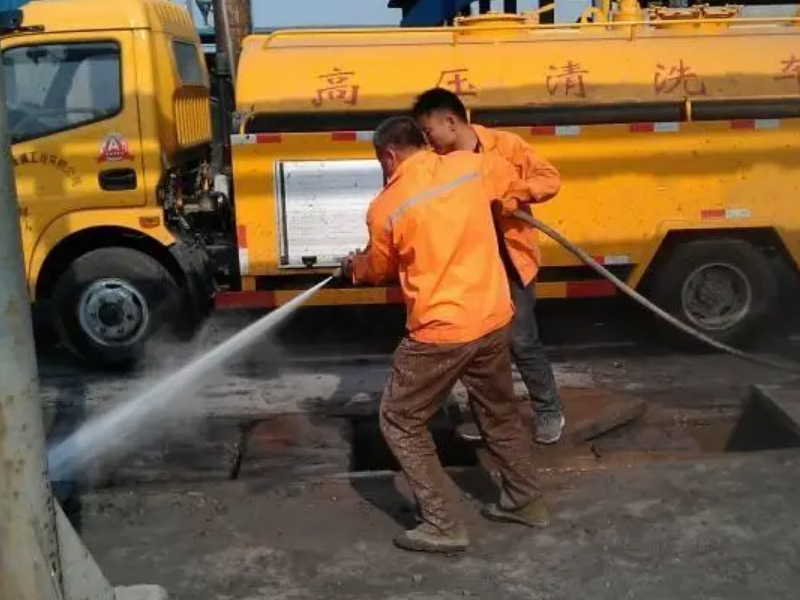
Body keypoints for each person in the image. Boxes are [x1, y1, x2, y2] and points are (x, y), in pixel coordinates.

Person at [341, 116, 547, 554]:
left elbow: (377, 270)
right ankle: (525, 501)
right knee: (499, 412)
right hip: (493, 317)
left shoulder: (386, 205)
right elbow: (524, 177)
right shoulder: (469, 167)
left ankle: (442, 523)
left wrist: (353, 268)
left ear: (389, 155)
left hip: (441, 331)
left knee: (400, 419)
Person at [412, 88, 565, 444]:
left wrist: (517, 194)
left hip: (511, 261)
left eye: (429, 130)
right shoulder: (436, 161)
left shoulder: (505, 146)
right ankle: (490, 420)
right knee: (476, 347)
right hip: (469, 268)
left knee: (523, 341)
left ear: (450, 121)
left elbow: (549, 178)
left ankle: (549, 411)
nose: (427, 139)